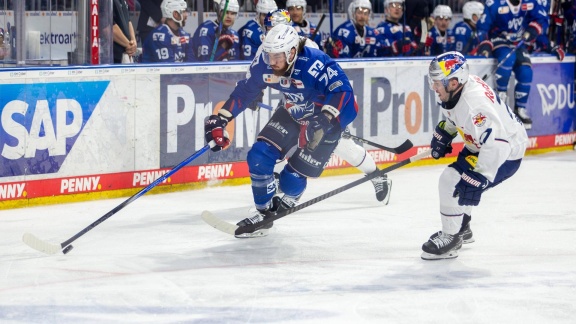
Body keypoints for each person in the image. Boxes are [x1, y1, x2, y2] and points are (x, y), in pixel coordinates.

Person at [204, 24, 358, 238]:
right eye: (269, 56)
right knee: (258, 156)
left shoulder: (314, 61)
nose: (272, 62)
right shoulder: (266, 63)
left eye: (277, 57)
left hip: (323, 122)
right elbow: (245, 91)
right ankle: (263, 214)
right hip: (293, 112)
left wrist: (325, 119)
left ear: (292, 52)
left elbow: (343, 92)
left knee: (290, 181)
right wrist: (220, 118)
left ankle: (293, 190)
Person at [264, 8, 393, 205]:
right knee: (282, 142)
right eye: (269, 27)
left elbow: (330, 83)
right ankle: (285, 184)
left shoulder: (307, 48)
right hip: (295, 109)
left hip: (319, 110)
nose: (272, 32)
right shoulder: (269, 50)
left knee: (344, 147)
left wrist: (328, 116)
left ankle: (377, 175)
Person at [422, 52, 528, 260]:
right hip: (481, 144)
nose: (434, 87)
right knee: (458, 181)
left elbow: (499, 144)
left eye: (437, 83)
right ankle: (463, 227)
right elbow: (457, 114)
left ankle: (451, 237)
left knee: (451, 181)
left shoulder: (475, 105)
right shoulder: (458, 90)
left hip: (506, 152)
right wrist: (446, 131)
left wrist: (481, 175)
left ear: (453, 82)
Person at [477, 0, 548, 130]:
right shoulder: (495, 4)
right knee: (508, 59)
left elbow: (541, 18)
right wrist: (485, 44)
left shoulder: (529, 2)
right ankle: (501, 102)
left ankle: (520, 108)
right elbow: (482, 27)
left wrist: (533, 29)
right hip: (498, 39)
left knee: (526, 71)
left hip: (518, 42)